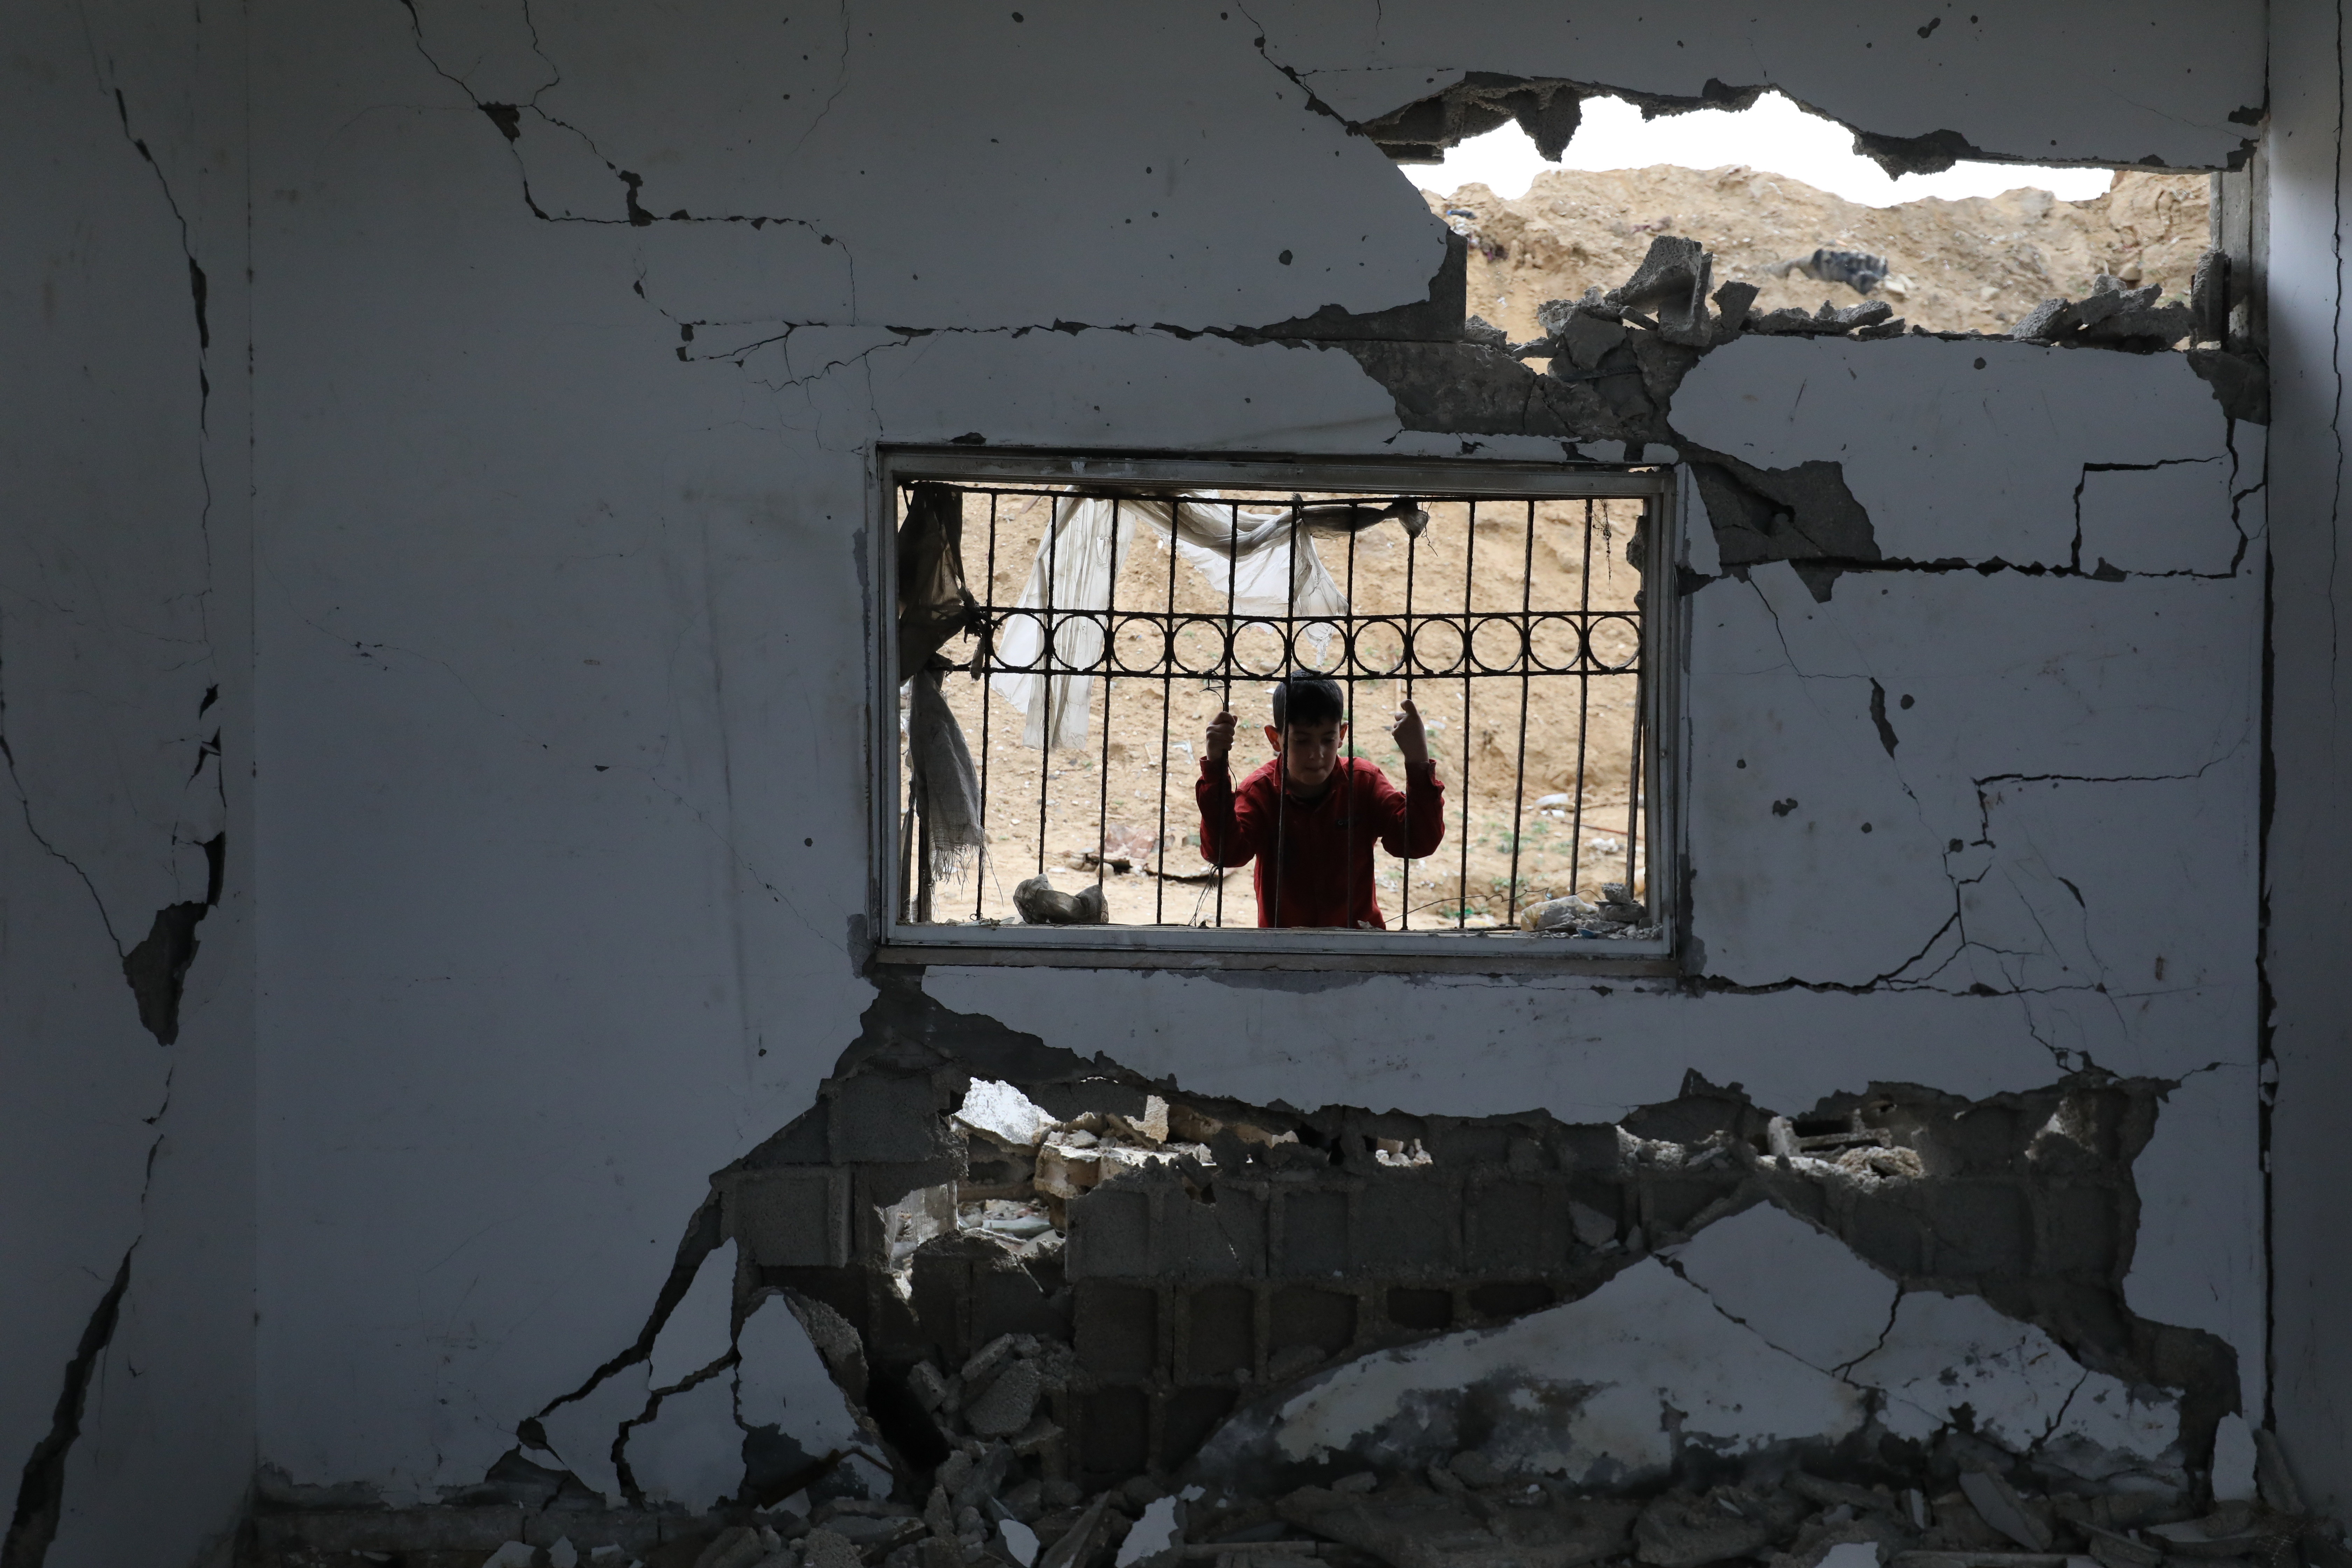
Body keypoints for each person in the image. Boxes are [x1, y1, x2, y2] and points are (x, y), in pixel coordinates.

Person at [1196, 673, 1446, 928]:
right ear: (1275, 739)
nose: (1317, 755)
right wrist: (1215, 768)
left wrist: (1418, 759)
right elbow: (1224, 854)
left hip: (1360, 946)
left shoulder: (1363, 782)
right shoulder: (1260, 792)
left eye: (1328, 739)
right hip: (1284, 951)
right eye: (1302, 741)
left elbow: (1417, 843)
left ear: (1342, 735)